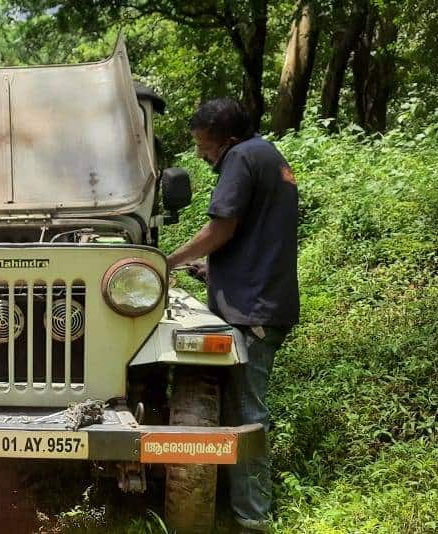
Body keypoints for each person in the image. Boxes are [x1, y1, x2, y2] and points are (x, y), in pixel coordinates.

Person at [166, 97, 299, 533]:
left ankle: (252, 519)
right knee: (242, 408)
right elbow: (256, 234)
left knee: (247, 415)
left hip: (253, 311)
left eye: (204, 145)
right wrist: (212, 269)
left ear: (228, 139)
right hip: (263, 299)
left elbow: (221, 228)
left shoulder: (240, 157)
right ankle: (234, 504)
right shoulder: (268, 155)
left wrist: (167, 261)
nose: (202, 154)